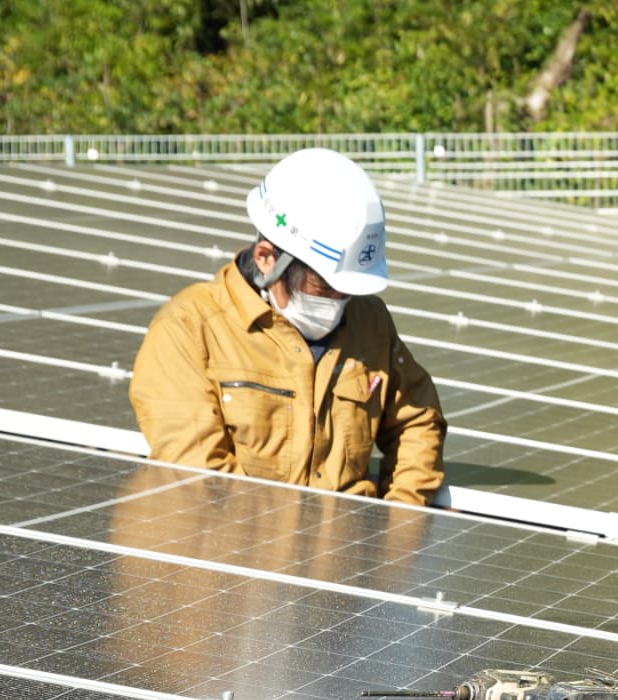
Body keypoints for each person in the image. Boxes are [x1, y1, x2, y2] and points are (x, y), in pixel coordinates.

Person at [129, 147, 446, 505]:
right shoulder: (189, 329)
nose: (339, 302)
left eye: (350, 290)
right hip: (232, 553)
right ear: (267, 260)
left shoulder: (369, 322)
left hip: (347, 553)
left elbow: (417, 421)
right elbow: (200, 479)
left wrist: (399, 522)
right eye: (324, 287)